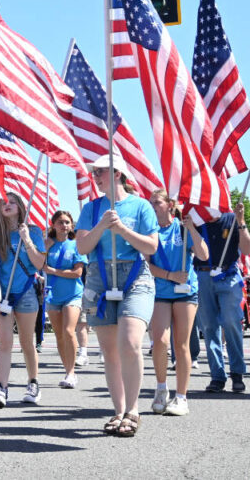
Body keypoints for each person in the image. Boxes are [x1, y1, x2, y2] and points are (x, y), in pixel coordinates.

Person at [75, 154, 158, 437]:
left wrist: (122, 228)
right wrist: (101, 225)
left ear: (117, 174)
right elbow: (83, 247)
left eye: (100, 172)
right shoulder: (91, 208)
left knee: (130, 341)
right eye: (95, 172)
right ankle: (118, 410)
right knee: (109, 350)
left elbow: (151, 247)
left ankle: (133, 410)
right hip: (100, 275)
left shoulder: (141, 206)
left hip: (134, 274)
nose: (95, 176)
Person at [146, 190, 208, 417]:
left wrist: (191, 228)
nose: (153, 206)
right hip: (161, 291)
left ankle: (181, 397)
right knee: (160, 341)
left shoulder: (182, 228)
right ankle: (161, 388)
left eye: (157, 202)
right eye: (151, 202)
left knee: (181, 344)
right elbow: (145, 265)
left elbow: (203, 254)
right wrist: (170, 276)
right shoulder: (149, 231)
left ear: (170, 204)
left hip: (185, 293)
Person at [0, 192, 46, 407]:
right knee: (5, 343)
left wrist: (27, 240)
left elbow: (39, 264)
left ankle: (33, 382)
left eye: (12, 202)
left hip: (27, 292)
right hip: (2, 295)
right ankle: (2, 387)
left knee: (27, 342)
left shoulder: (34, 232)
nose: (7, 205)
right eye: (4, 203)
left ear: (21, 207)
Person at [191, 199, 250, 394]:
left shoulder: (231, 219)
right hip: (203, 274)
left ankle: (237, 373)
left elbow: (247, 249)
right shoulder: (197, 221)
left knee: (231, 321)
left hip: (228, 275)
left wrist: (241, 221)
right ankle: (217, 376)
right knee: (208, 326)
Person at [44, 210, 87, 389]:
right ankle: (67, 368)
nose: (64, 225)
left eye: (68, 222)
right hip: (53, 295)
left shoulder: (76, 245)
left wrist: (54, 271)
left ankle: (71, 373)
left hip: (73, 294)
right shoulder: (48, 245)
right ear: (53, 225)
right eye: (61, 222)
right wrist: (43, 248)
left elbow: (78, 272)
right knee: (59, 335)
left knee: (69, 331)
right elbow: (38, 263)